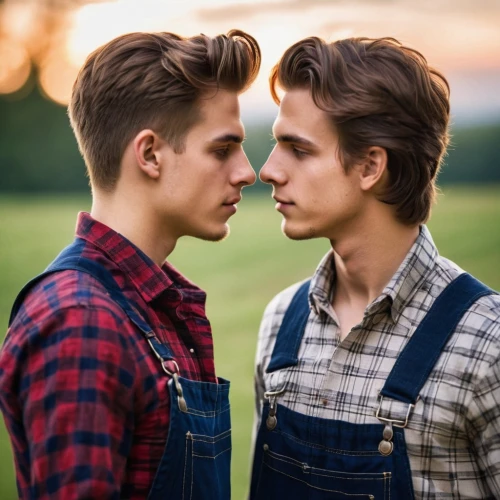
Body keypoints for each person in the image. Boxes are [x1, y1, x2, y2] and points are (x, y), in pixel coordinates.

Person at [0, 29, 260, 499]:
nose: (246, 172)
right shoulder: (81, 322)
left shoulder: (155, 303)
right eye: (222, 150)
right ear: (150, 154)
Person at [250, 36, 500, 499]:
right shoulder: (280, 321)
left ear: (370, 166)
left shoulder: (487, 344)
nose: (268, 170)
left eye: (298, 149)